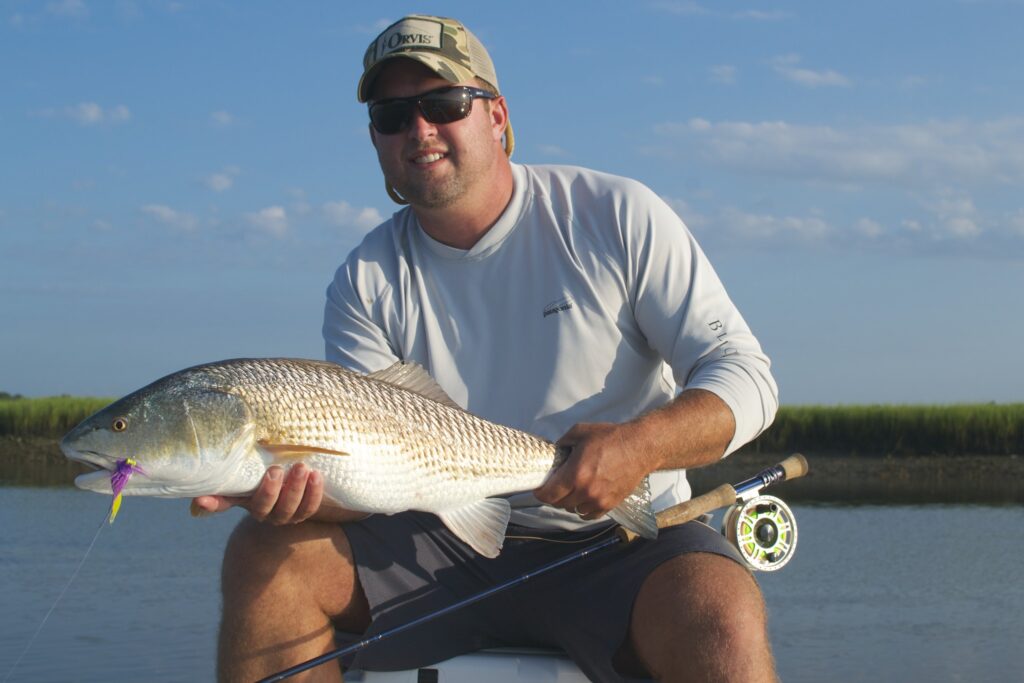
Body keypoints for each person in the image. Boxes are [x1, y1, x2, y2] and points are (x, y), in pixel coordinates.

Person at [196, 14, 780, 683]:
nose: (420, 131)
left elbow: (748, 378)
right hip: (436, 542)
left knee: (722, 610)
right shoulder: (364, 281)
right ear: (375, 139)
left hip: (621, 540)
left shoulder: (615, 214)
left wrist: (639, 447)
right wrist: (265, 485)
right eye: (392, 115)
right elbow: (362, 483)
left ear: (497, 115)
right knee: (262, 554)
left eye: (444, 104)